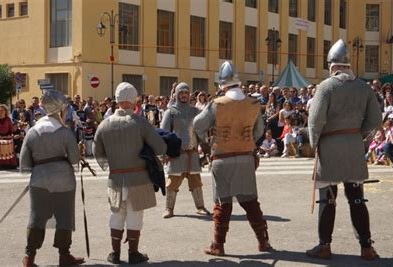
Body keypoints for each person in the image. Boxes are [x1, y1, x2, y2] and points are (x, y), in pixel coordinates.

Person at [307, 39, 382, 260]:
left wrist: (314, 143)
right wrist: (359, 137)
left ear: (332, 65)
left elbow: (315, 121)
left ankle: (324, 246)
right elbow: (376, 119)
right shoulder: (364, 87)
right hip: (354, 146)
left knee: (327, 198)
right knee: (357, 198)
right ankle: (366, 247)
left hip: (330, 146)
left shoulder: (326, 86)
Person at [193, 61, 272, 256]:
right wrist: (248, 142)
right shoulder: (253, 103)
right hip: (246, 157)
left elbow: (197, 124)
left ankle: (218, 245)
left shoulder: (217, 104)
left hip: (222, 157)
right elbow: (260, 130)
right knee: (251, 202)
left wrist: (208, 140)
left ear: (222, 84)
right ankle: (263, 242)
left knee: (222, 203)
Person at [94, 82, 167, 264]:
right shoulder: (140, 122)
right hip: (139, 177)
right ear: (133, 99)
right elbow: (160, 146)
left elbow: (97, 153)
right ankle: (133, 253)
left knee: (116, 214)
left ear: (117, 99)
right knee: (135, 214)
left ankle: (115, 253)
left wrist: (112, 162)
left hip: (116, 177)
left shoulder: (104, 125)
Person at [19, 90, 85, 266]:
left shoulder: (32, 132)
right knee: (64, 217)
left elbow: (24, 164)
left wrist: (40, 167)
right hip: (64, 180)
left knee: (36, 218)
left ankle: (29, 256)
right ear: (59, 110)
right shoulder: (64, 132)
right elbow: (74, 160)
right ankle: (64, 255)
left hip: (39, 180)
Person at [160, 82, 211, 219]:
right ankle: (169, 208)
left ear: (189, 95)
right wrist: (163, 153)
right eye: (181, 92)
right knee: (172, 182)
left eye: (186, 93)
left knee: (196, 182)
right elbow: (164, 133)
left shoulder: (195, 111)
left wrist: (206, 149)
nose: (183, 95)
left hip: (193, 152)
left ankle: (200, 207)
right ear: (176, 94)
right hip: (177, 153)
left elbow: (201, 133)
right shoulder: (170, 112)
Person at [0, 105, 17, 170]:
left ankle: (9, 164)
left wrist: (9, 134)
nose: (1, 112)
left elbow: (11, 129)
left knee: (10, 142)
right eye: (0, 110)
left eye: (3, 110)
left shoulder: (8, 119)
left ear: (5, 111)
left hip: (7, 136)